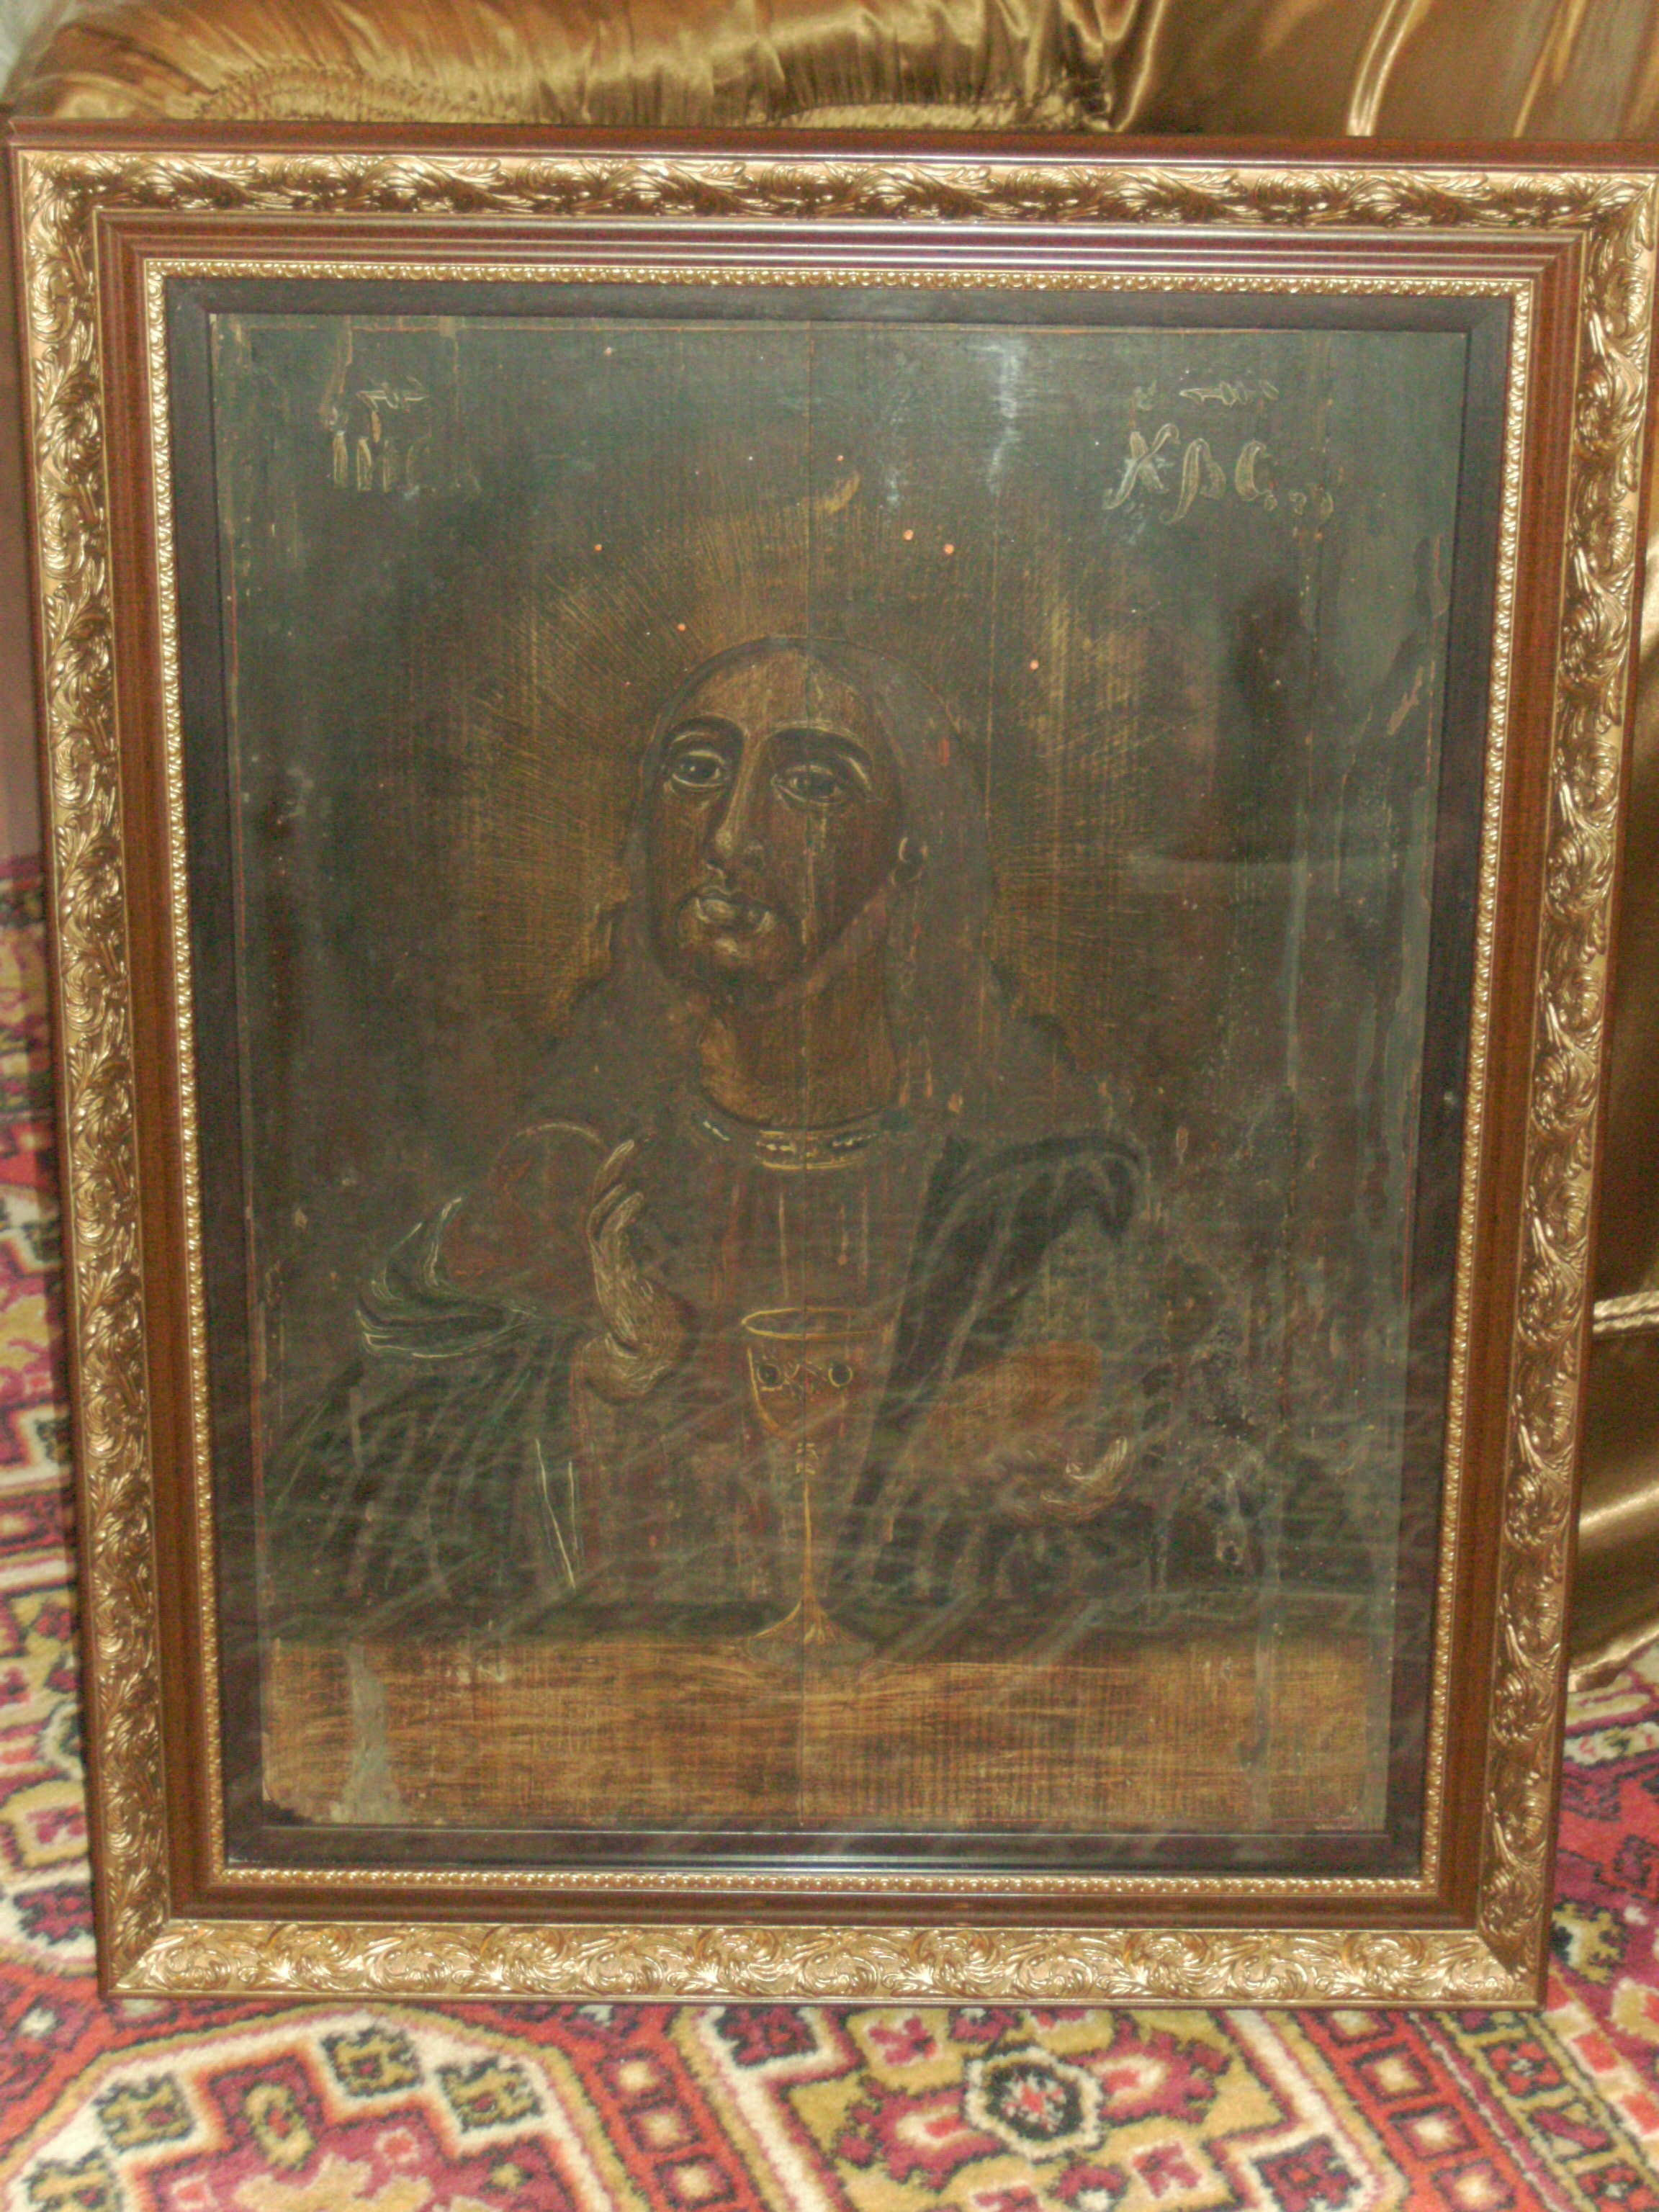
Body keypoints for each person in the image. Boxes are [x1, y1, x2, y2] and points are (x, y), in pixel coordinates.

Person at [266, 637, 1274, 1658]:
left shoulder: (1032, 1222)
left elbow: (1227, 1525)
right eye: (697, 770)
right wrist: (593, 1388)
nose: (731, 835)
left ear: (910, 854)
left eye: (814, 784)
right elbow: (332, 1521)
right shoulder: (565, 1195)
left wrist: (1056, 1465)